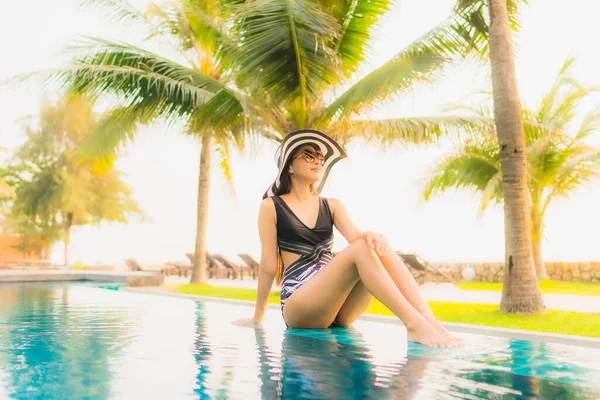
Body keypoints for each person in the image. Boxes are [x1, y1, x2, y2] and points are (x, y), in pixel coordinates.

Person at [234, 129, 463, 348]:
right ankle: (414, 324)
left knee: (375, 244)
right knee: (360, 248)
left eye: (320, 157)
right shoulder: (271, 206)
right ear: (289, 165)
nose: (318, 161)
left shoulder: (332, 205)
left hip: (337, 310)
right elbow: (268, 266)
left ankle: (431, 324)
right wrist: (257, 317)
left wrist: (372, 235)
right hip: (300, 305)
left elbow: (356, 237)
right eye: (309, 154)